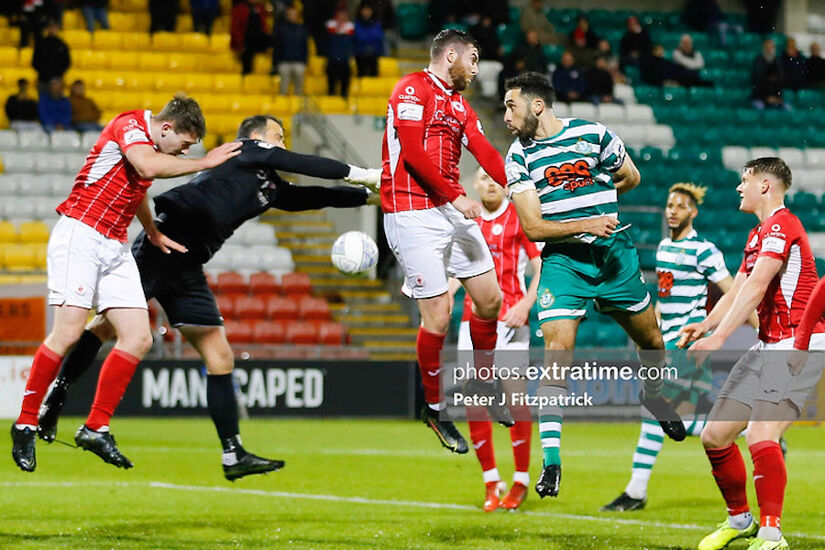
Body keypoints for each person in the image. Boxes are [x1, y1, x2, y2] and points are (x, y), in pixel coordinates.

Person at [35, 115, 381, 480]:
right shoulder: (244, 151)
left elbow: (312, 196)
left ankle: (233, 453)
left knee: (220, 356)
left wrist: (369, 198)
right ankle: (56, 397)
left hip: (189, 267)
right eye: (278, 137)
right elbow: (300, 162)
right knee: (106, 326)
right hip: (162, 247)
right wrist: (362, 173)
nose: (282, 144)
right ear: (257, 137)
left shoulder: (268, 187)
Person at [9, 95, 242, 473]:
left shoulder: (149, 146)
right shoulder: (130, 124)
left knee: (139, 337)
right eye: (183, 145)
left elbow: (139, 188)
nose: (184, 152)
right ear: (166, 128)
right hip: (81, 234)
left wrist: (151, 232)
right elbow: (147, 165)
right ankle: (24, 422)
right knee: (68, 333)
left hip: (114, 245)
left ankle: (96, 426)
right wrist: (204, 162)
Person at [502, 72, 686, 499]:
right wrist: (588, 221)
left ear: (537, 105)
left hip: (614, 255)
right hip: (565, 262)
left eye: (511, 106)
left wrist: (603, 196)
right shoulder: (518, 156)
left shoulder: (594, 134)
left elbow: (631, 176)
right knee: (558, 351)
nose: (506, 116)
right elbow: (532, 227)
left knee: (652, 340)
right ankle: (551, 462)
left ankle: (655, 397)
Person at [683, 157, 825, 550]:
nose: (738, 188)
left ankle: (771, 533)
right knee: (714, 435)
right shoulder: (757, 234)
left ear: (765, 185)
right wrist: (707, 325)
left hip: (798, 345)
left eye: (744, 181)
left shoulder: (783, 224)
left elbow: (758, 287)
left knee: (761, 432)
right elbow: (739, 288)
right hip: (768, 346)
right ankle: (739, 519)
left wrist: (720, 338)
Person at [380, 29, 509, 455]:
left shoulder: (460, 105)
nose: (475, 68)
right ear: (449, 54)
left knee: (490, 300)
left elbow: (486, 151)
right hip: (411, 211)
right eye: (472, 58)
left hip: (449, 208)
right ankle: (434, 409)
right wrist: (457, 196)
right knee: (439, 317)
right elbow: (414, 154)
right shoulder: (411, 89)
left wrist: (520, 187)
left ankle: (483, 384)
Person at [601, 183, 754, 512]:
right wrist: (650, 332)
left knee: (656, 411)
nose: (672, 210)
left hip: (687, 342)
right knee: (688, 420)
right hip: (666, 339)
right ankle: (753, 428)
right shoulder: (664, 247)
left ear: (693, 212)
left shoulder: (704, 250)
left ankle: (636, 492)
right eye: (669, 204)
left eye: (680, 206)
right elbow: (665, 296)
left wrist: (740, 323)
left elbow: (733, 291)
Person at [452, 167, 540, 512]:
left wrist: (526, 306)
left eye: (495, 178)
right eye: (483, 178)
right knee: (475, 403)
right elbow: (458, 275)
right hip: (471, 322)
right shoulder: (466, 223)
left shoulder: (521, 218)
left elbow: (540, 268)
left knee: (515, 401)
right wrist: (441, 299)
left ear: (505, 184)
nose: (490, 183)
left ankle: (520, 481)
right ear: (474, 184)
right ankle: (491, 481)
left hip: (511, 321)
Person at [272, 5, 308, 94]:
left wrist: (304, 61)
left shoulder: (302, 29)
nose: (292, 16)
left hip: (299, 62)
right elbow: (277, 47)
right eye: (290, 14)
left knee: (299, 88)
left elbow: (305, 47)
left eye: (294, 14)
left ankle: (297, 105)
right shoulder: (281, 29)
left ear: (298, 16)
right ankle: (282, 106)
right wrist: (277, 62)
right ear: (287, 16)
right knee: (283, 87)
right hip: (284, 61)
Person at [231, 0, 270, 75]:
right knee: (246, 63)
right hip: (245, 41)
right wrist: (240, 44)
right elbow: (235, 28)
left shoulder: (261, 8)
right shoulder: (239, 9)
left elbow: (264, 25)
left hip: (258, 39)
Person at [32, 20, 70, 96]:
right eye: (50, 27)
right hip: (43, 79)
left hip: (57, 78)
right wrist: (43, 71)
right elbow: (35, 61)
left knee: (57, 101)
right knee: (43, 102)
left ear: (57, 29)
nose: (52, 29)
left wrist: (58, 72)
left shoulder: (62, 44)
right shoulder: (41, 43)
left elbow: (67, 62)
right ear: (47, 29)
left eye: (54, 28)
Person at [324, 7, 355, 98]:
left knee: (345, 84)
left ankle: (343, 99)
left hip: (344, 60)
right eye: (340, 15)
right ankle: (331, 98)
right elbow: (325, 44)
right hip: (333, 59)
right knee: (331, 83)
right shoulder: (330, 30)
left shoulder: (351, 30)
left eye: (344, 16)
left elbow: (353, 45)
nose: (342, 18)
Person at [751, 39, 788, 111]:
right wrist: (766, 98)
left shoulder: (778, 62)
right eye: (767, 48)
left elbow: (780, 81)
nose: (769, 50)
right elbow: (757, 81)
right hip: (760, 97)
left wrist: (776, 97)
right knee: (760, 108)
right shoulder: (758, 61)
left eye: (771, 47)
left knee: (788, 109)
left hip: (775, 97)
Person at [354, 3, 384, 77]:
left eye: (368, 10)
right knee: (361, 75)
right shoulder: (357, 23)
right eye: (365, 10)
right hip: (360, 54)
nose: (366, 12)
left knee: (374, 77)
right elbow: (358, 37)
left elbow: (378, 37)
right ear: (361, 11)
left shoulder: (377, 24)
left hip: (373, 54)